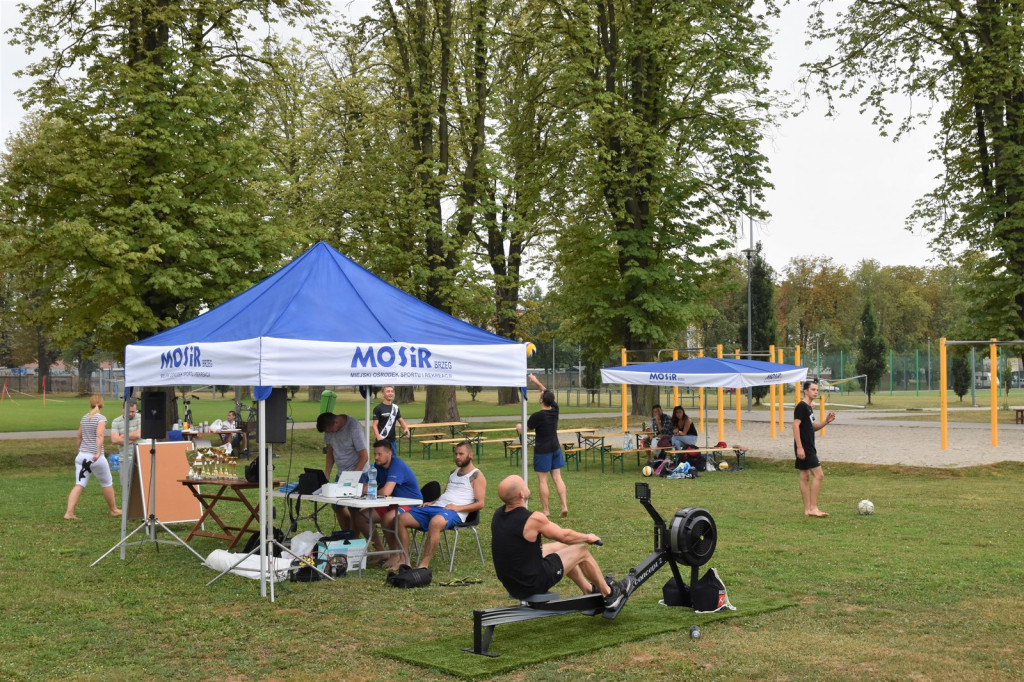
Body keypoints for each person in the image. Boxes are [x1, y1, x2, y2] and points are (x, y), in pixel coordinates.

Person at [491, 475, 630, 619]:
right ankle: (610, 595)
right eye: (524, 485)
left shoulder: (498, 514)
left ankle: (589, 590)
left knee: (562, 547)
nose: (527, 486)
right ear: (521, 494)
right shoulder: (533, 519)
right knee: (581, 551)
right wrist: (587, 537)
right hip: (531, 582)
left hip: (511, 581)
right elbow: (565, 535)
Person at [394, 440, 485, 570]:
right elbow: (448, 494)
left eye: (461, 454)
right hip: (436, 506)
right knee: (401, 519)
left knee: (436, 522)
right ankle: (404, 560)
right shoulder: (453, 473)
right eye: (456, 454)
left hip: (454, 511)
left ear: (470, 455)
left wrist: (457, 508)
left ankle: (424, 564)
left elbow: (480, 504)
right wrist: (433, 502)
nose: (457, 457)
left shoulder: (477, 475)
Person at [352, 440, 422, 570]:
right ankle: (382, 552)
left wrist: (370, 490)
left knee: (387, 517)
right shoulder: (377, 467)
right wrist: (367, 488)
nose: (376, 457)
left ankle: (396, 555)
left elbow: (386, 492)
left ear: (389, 453)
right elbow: (367, 486)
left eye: (379, 454)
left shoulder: (397, 465)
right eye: (375, 454)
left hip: (411, 503)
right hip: (392, 503)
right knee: (361, 517)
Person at [516, 373, 568, 518]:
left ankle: (546, 510)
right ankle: (564, 506)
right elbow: (545, 391)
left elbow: (524, 430)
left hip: (542, 451)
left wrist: (519, 427)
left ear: (541, 400)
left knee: (543, 480)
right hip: (555, 448)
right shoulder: (555, 410)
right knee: (557, 478)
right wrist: (535, 381)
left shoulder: (537, 416)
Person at [64, 395, 121, 520]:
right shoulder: (101, 418)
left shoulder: (84, 418)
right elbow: (99, 435)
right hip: (95, 457)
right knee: (107, 482)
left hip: (82, 456)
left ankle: (69, 512)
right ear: (102, 404)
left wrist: (80, 451)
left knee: (79, 484)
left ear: (90, 404)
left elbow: (79, 437)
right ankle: (114, 510)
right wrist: (98, 452)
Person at [316, 411, 369, 530]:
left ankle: (354, 538)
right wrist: (326, 475)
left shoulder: (354, 427)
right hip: (341, 474)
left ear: (336, 422)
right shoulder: (329, 429)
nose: (330, 434)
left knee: (354, 508)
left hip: (359, 473)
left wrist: (352, 478)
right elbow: (330, 451)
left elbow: (364, 456)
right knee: (337, 505)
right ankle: (346, 534)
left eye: (331, 431)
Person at [793, 380, 836, 518]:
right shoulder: (801, 406)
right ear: (805, 391)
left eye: (817, 390)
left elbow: (813, 427)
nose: (816, 392)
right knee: (819, 475)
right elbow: (795, 425)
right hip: (805, 446)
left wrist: (826, 421)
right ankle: (813, 508)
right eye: (813, 389)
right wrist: (800, 447)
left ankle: (807, 510)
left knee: (805, 476)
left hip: (808, 445)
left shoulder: (809, 407)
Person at [373, 386, 411, 457]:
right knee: (382, 461)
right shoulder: (378, 408)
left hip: (392, 441)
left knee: (394, 461)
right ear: (383, 393)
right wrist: (378, 437)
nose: (390, 393)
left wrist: (405, 428)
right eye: (388, 391)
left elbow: (400, 420)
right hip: (382, 440)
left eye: (392, 391)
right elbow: (374, 425)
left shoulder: (395, 408)